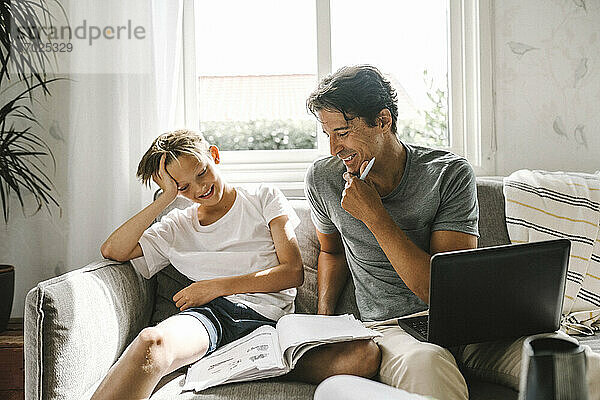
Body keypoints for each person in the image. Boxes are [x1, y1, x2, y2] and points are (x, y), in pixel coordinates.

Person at [301, 65, 600, 399]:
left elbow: (442, 291)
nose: (333, 148)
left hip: (473, 326)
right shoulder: (323, 179)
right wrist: (323, 324)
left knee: (578, 365)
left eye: (341, 132)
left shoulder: (448, 174)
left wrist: (375, 216)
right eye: (327, 134)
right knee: (428, 366)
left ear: (383, 121)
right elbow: (331, 251)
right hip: (392, 329)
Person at [91, 129, 376, 399]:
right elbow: (113, 250)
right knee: (150, 344)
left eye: (202, 172)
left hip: (272, 327)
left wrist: (215, 286)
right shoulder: (176, 226)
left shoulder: (263, 197)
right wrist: (165, 199)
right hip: (210, 320)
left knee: (366, 355)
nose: (200, 188)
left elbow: (293, 272)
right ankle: (232, 362)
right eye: (183, 186)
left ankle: (249, 366)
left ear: (214, 155)